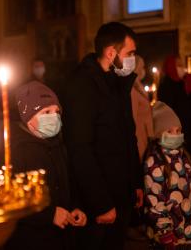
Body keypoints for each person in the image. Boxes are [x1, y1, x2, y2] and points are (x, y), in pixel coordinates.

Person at [62, 22, 143, 250]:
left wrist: (135, 182)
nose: (133, 59)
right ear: (111, 53)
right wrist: (101, 203)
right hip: (98, 200)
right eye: (130, 53)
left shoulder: (118, 83)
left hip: (121, 192)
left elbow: (129, 136)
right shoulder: (82, 85)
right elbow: (80, 149)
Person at [5, 80, 87, 250]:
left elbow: (68, 182)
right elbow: (13, 200)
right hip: (31, 240)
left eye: (57, 112)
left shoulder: (57, 144)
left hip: (61, 237)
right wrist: (49, 215)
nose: (54, 117)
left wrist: (75, 207)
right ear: (27, 117)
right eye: (46, 112)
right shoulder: (15, 150)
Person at [144, 101, 191, 249]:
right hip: (165, 236)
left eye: (178, 131)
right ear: (159, 133)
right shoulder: (154, 162)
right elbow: (155, 201)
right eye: (170, 131)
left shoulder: (184, 157)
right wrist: (164, 232)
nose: (176, 135)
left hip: (186, 230)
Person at [158, 55, 191, 204]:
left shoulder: (183, 84)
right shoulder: (167, 86)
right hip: (177, 137)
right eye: (179, 65)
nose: (182, 68)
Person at [131, 54, 154, 160]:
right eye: (141, 67)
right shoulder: (132, 89)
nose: (143, 70)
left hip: (146, 136)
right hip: (139, 136)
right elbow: (133, 117)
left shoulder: (138, 85)